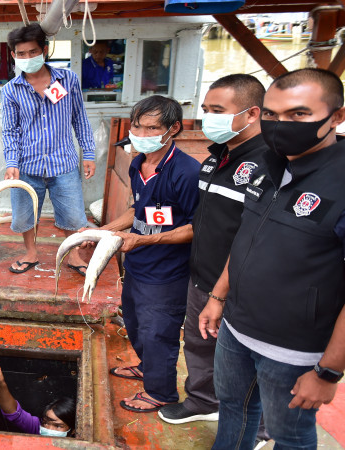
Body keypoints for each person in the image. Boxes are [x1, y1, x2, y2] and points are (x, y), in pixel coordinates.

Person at [199, 68, 345, 449]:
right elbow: (246, 237)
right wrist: (218, 296)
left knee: (289, 435)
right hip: (236, 327)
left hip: (293, 348)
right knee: (233, 408)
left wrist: (327, 372)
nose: (280, 125)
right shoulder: (267, 163)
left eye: (298, 115)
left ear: (337, 117)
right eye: (271, 114)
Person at [158, 74, 267, 426]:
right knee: (198, 342)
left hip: (243, 285)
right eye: (205, 109)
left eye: (218, 110)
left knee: (247, 355)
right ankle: (203, 400)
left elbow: (254, 238)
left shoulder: (268, 165)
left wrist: (220, 295)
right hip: (202, 273)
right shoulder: (215, 158)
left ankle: (261, 423)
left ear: (252, 114)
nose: (208, 117)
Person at [90, 95, 199, 413]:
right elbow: (141, 210)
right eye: (137, 126)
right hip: (137, 267)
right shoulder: (139, 163)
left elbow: (196, 228)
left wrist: (145, 242)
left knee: (158, 333)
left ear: (173, 129)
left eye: (152, 127)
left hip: (167, 274)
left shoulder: (187, 173)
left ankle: (161, 393)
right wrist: (104, 232)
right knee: (136, 325)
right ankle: (145, 367)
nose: (141, 133)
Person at [2, 23, 96, 275]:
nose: (27, 58)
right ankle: (31, 253)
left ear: (44, 50)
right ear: (13, 55)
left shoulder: (68, 79)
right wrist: (11, 162)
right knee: (24, 214)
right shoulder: (10, 90)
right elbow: (10, 130)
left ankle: (74, 255)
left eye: (32, 52)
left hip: (63, 162)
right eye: (21, 54)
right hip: (26, 165)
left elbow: (79, 118)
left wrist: (88, 153)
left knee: (73, 212)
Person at [0, 363, 75, 436]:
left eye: (58, 426)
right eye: (45, 423)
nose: (49, 429)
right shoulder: (37, 429)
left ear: (73, 430)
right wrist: (0, 382)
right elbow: (13, 413)